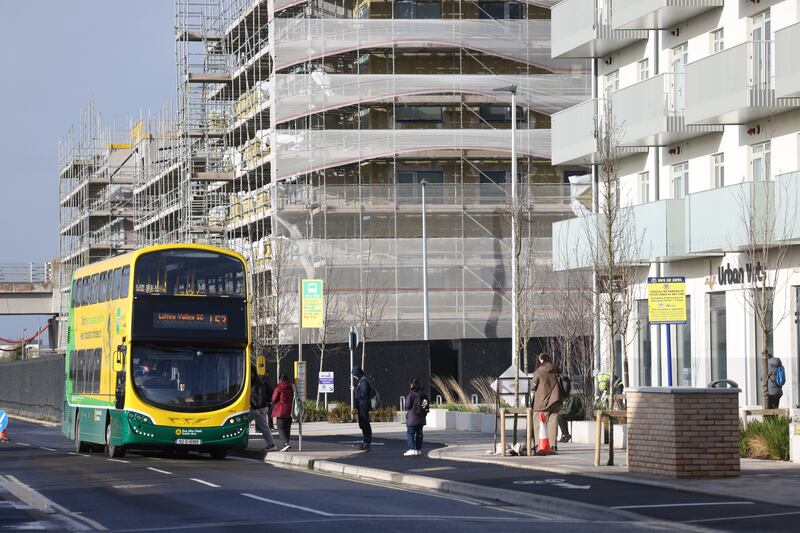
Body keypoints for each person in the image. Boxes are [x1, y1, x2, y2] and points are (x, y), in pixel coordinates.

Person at [531, 353, 563, 455]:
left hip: (542, 402)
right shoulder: (556, 370)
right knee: (553, 423)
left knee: (538, 422)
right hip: (556, 400)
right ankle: (553, 445)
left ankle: (539, 444)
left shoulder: (539, 371)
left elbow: (532, 386)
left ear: (541, 360)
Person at [250, 366, 275, 455]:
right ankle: (271, 444)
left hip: (259, 408)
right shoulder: (252, 381)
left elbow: (261, 396)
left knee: (264, 427)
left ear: (253, 372)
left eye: (250, 372)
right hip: (254, 408)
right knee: (263, 426)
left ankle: (271, 444)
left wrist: (258, 407)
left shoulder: (258, 382)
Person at [404, 378, 428, 456]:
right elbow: (425, 406)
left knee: (410, 433)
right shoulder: (423, 395)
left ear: (412, 384)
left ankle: (411, 449)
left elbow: (407, 406)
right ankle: (418, 450)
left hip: (412, 417)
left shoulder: (410, 394)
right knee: (419, 433)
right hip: (421, 418)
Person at [352, 366, 373, 451]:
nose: (354, 377)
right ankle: (366, 442)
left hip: (363, 406)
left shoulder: (363, 381)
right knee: (363, 424)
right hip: (361, 406)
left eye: (354, 375)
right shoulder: (362, 381)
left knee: (365, 424)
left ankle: (367, 442)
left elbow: (363, 394)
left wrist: (355, 390)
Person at [271, 374, 294, 452]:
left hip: (281, 410)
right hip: (290, 410)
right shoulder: (291, 387)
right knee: (287, 428)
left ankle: (286, 443)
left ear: (280, 379)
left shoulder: (279, 388)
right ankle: (287, 443)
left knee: (281, 427)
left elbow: (274, 399)